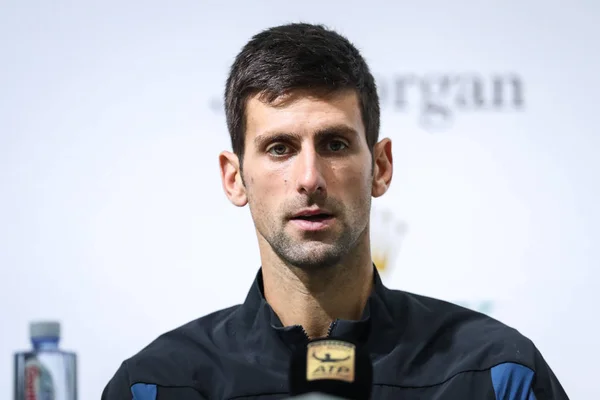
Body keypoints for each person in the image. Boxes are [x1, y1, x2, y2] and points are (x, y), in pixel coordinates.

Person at [101, 23, 568, 399]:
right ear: (234, 177)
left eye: (335, 144)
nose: (310, 177)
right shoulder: (156, 385)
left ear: (380, 167)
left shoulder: (497, 373)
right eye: (280, 148)